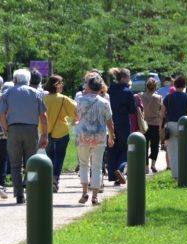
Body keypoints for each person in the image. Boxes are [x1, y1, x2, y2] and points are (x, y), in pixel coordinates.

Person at [0, 68, 48, 204]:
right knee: (31, 164)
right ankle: (31, 191)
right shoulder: (36, 93)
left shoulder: (7, 93)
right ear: (28, 79)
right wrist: (45, 134)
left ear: (15, 79)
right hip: (31, 129)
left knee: (15, 165)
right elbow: (43, 116)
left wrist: (6, 127)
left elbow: (1, 113)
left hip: (13, 129)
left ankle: (19, 194)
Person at [75, 74, 114, 206]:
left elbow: (76, 116)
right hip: (99, 137)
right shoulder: (105, 102)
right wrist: (112, 136)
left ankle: (84, 192)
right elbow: (110, 122)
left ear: (89, 86)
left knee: (84, 164)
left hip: (83, 137)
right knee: (97, 167)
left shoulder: (80, 100)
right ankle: (95, 197)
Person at [42, 75, 78, 193]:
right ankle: (55, 179)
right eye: (61, 83)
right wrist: (75, 120)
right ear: (57, 85)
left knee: (49, 156)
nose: (63, 85)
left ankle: (48, 179)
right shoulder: (63, 99)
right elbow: (78, 111)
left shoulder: (42, 98)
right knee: (60, 157)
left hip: (46, 131)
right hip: (61, 131)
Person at [160, 76, 187, 179]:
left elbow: (162, 113)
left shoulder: (168, 97)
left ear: (174, 85)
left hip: (170, 125)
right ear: (184, 86)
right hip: (184, 125)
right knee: (185, 150)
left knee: (172, 152)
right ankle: (185, 172)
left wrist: (161, 127)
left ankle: (176, 175)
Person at [107, 67, 136, 185]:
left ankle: (113, 175)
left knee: (112, 148)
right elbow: (132, 110)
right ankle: (121, 168)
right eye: (129, 77)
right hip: (123, 122)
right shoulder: (128, 92)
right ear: (124, 78)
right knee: (124, 148)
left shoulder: (110, 90)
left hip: (110, 122)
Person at [141, 77, 162, 173]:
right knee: (155, 145)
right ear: (155, 87)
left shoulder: (141, 96)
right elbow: (162, 111)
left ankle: (145, 166)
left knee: (144, 145)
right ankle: (153, 164)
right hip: (155, 123)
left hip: (144, 123)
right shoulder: (159, 97)